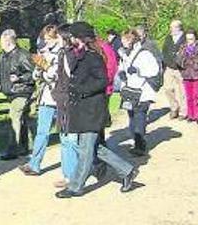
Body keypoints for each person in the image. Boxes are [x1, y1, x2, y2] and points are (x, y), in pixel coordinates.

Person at [56, 22, 138, 198]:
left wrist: (81, 89)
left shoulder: (93, 56)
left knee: (86, 148)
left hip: (92, 108)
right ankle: (126, 170)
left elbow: (102, 81)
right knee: (94, 148)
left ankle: (76, 186)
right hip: (83, 108)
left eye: (73, 36)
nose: (70, 39)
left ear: (80, 37)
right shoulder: (81, 55)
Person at [20, 25, 72, 179]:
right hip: (46, 97)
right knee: (41, 132)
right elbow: (36, 76)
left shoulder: (63, 53)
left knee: (64, 134)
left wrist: (45, 67)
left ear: (57, 37)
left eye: (49, 39)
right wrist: (38, 68)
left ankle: (68, 172)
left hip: (60, 97)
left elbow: (56, 76)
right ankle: (34, 163)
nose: (46, 42)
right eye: (45, 39)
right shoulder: (45, 52)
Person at [0, 29, 35, 160]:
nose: (0, 43)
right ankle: (26, 148)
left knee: (14, 117)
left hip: (22, 92)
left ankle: (12, 150)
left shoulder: (23, 55)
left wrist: (19, 78)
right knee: (22, 120)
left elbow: (32, 74)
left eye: (2, 41)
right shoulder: (1, 56)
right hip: (10, 92)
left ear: (8, 41)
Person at [116, 30, 161, 156]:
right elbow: (122, 67)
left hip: (143, 91)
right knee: (131, 116)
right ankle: (136, 141)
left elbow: (154, 70)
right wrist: (121, 73)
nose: (123, 42)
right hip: (130, 90)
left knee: (139, 116)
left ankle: (140, 145)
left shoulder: (145, 53)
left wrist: (138, 70)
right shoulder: (125, 54)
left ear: (133, 40)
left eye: (126, 40)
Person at [50, 25, 80, 189]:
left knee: (70, 138)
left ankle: (73, 174)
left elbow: (69, 79)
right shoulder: (66, 53)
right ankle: (69, 173)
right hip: (63, 99)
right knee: (65, 138)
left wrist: (60, 92)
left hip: (68, 101)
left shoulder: (69, 54)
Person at [162, 20, 188, 119]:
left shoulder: (185, 38)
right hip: (169, 67)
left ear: (179, 27)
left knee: (182, 90)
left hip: (181, 68)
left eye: (172, 27)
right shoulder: (168, 38)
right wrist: (166, 62)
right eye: (170, 27)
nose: (170, 29)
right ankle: (174, 107)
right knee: (167, 88)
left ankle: (183, 111)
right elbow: (164, 51)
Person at [179, 29, 198, 123]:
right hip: (186, 74)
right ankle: (191, 115)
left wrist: (195, 65)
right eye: (187, 39)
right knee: (189, 96)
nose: (189, 41)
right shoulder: (183, 47)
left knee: (197, 96)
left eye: (191, 39)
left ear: (195, 38)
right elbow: (179, 59)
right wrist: (183, 64)